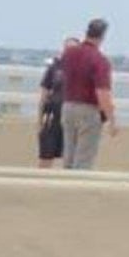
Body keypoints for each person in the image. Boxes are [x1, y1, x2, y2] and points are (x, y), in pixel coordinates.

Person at [60, 18, 117, 170]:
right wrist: (112, 120)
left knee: (69, 155)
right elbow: (102, 93)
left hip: (68, 106)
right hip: (88, 109)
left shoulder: (68, 54)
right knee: (84, 159)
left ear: (87, 32)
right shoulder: (99, 60)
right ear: (102, 36)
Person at [36, 37, 78, 168]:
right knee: (46, 154)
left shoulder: (81, 69)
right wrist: (39, 119)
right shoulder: (54, 67)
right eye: (67, 48)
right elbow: (44, 95)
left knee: (70, 157)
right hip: (52, 117)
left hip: (72, 119)